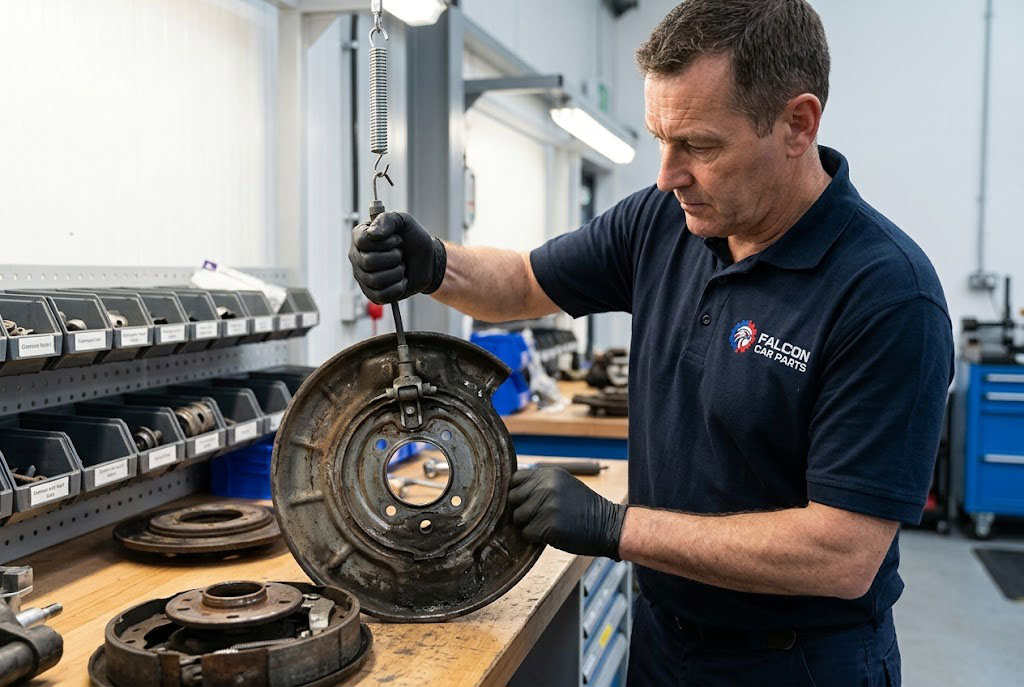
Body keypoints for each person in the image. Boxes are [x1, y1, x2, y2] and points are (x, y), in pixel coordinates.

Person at [348, 1, 953, 683]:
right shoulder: (661, 222)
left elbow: (842, 553)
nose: (667, 174)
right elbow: (521, 282)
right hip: (664, 642)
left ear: (797, 124)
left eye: (699, 145)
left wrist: (616, 526)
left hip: (800, 662)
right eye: (660, 139)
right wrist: (433, 264)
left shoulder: (888, 294)